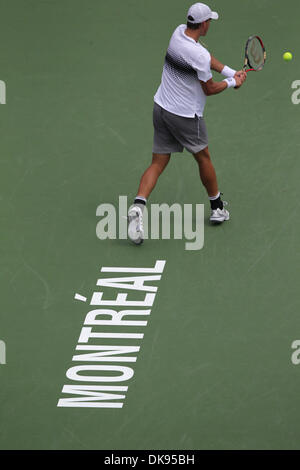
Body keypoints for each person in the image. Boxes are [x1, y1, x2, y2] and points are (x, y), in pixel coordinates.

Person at [128, 2, 246, 244]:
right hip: (185, 117)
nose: (210, 24)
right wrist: (233, 83)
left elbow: (206, 58)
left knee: (158, 163)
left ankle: (138, 206)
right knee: (204, 159)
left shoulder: (178, 32)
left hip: (161, 108)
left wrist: (230, 71)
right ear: (203, 24)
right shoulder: (198, 55)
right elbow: (209, 88)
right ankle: (217, 207)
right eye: (209, 21)